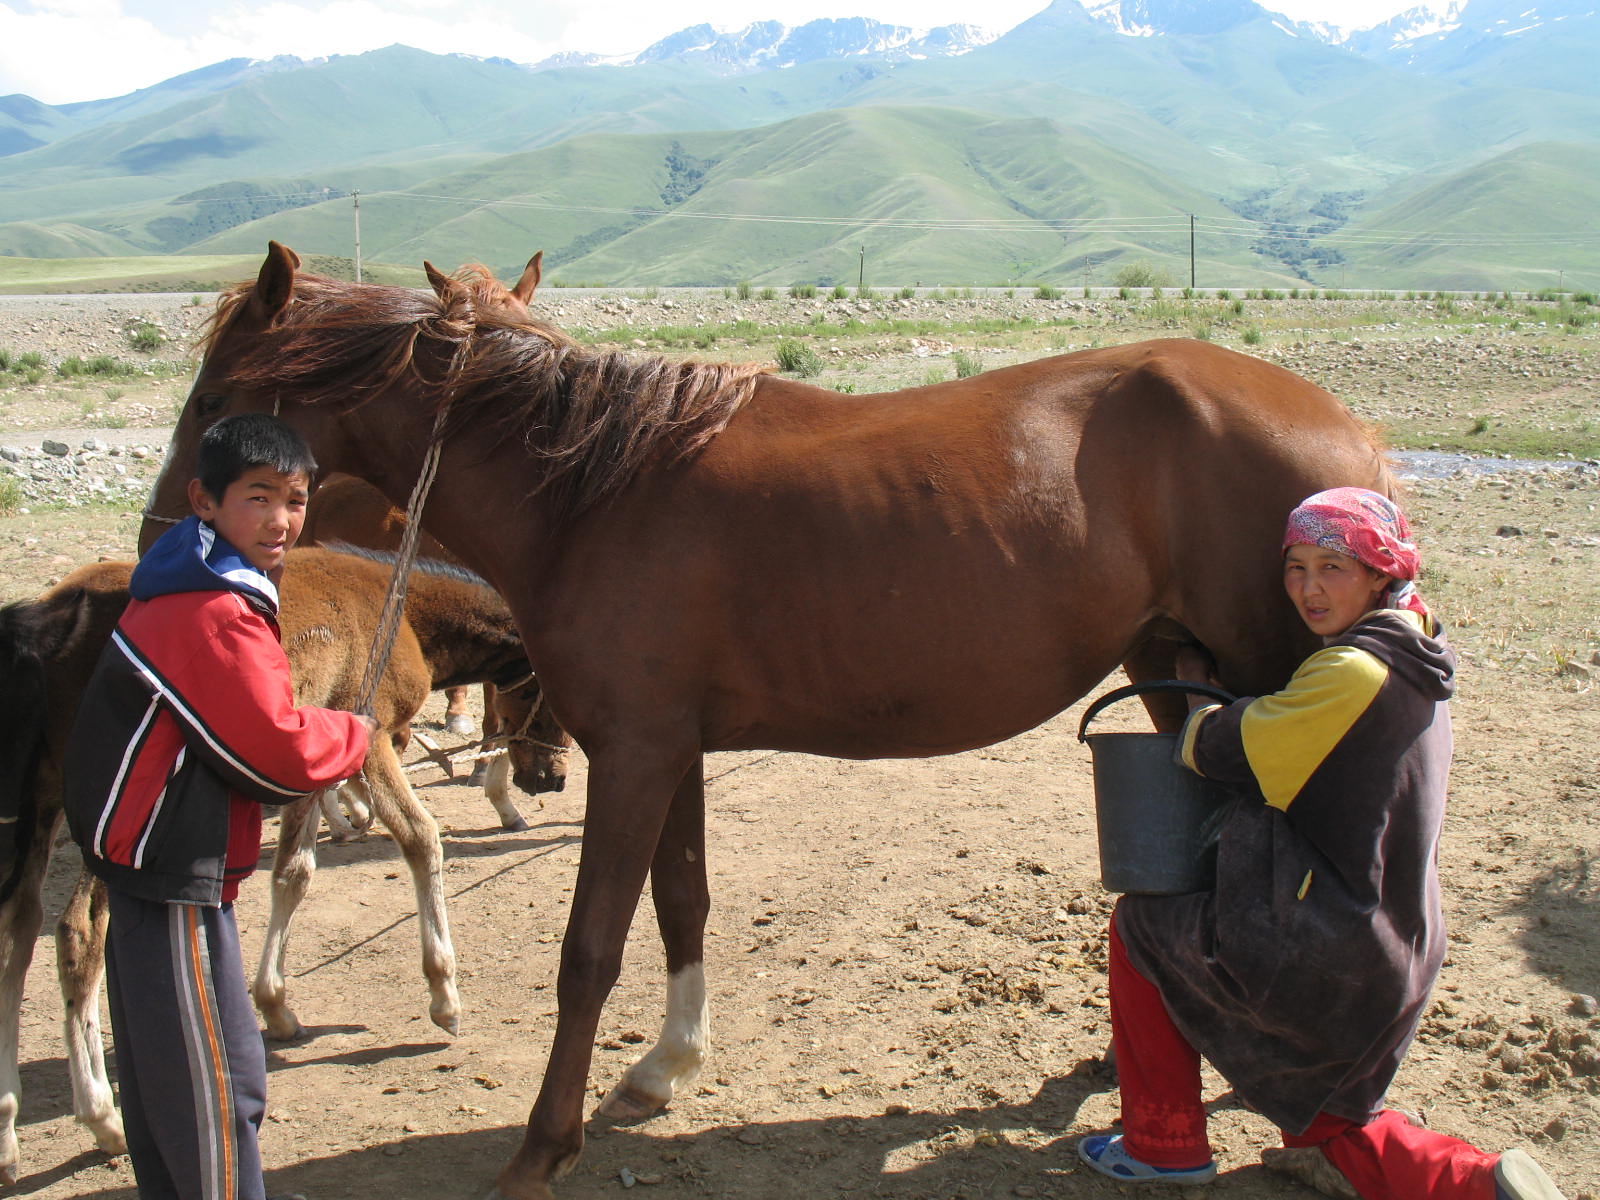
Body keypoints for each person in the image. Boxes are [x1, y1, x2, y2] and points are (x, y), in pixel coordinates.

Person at [1076, 487, 1566, 1200]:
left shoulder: (1350, 672)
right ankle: (1478, 1182)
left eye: (1333, 567)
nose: (1308, 588)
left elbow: (1225, 750)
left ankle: (1164, 1144)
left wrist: (1194, 705)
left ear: (1379, 572)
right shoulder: (1417, 641)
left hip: (1331, 944)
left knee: (1142, 928)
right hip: (1398, 934)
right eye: (1295, 567)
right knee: (1323, 1130)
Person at [64, 413, 375, 1200]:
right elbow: (279, 752)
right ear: (204, 499)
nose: (280, 520)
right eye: (258, 497)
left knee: (168, 1084)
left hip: (143, 868)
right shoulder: (214, 614)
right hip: (173, 877)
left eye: (296, 500)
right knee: (215, 1090)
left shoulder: (187, 575)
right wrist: (355, 733)